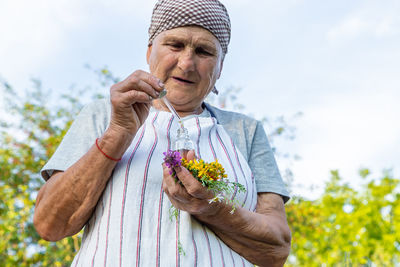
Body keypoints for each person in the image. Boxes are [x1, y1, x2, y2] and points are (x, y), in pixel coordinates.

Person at [33, 0, 291, 266]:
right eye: (175, 45)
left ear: (220, 68)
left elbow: (276, 250)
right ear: (149, 52)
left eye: (204, 51)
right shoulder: (103, 115)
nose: (187, 63)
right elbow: (50, 225)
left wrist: (211, 208)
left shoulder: (245, 131)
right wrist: (117, 134)